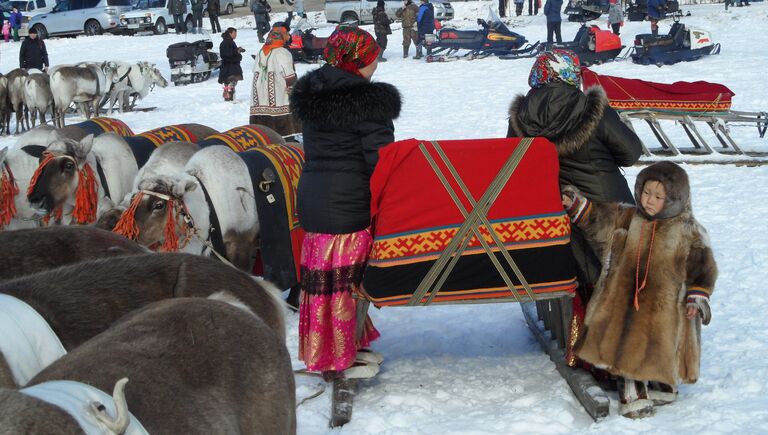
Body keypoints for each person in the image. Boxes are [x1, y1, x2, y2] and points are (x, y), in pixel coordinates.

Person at [506, 49, 643, 368]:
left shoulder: (521, 115)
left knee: (584, 276)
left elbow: (514, 168)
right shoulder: (592, 106)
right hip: (608, 209)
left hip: (556, 213)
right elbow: (631, 153)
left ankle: (584, 351)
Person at [290, 25, 401, 381]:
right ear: (357, 61)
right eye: (373, 59)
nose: (377, 65)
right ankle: (339, 354)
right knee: (345, 282)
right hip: (349, 200)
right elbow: (380, 160)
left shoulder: (314, 92)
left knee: (323, 280)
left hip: (314, 196)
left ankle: (337, 347)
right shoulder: (366, 101)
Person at [563, 161, 717, 419]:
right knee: (627, 344)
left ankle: (660, 383)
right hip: (626, 301)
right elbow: (598, 217)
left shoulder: (688, 230)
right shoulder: (628, 217)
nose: (649, 201)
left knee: (662, 343)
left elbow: (702, 264)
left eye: (659, 197)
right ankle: (632, 392)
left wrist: (697, 294)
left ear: (675, 198)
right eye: (646, 193)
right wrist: (577, 204)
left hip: (667, 305)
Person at [250, 24, 300, 138]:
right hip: (278, 100)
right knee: (284, 137)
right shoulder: (282, 52)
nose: (288, 36)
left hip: (259, 101)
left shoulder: (260, 52)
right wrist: (294, 90)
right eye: (287, 34)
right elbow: (290, 76)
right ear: (281, 36)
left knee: (264, 137)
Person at [219, 27, 245, 101]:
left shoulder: (228, 41)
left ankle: (228, 98)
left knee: (228, 83)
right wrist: (237, 52)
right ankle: (230, 98)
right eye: (234, 33)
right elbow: (228, 54)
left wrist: (237, 51)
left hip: (228, 66)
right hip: (230, 66)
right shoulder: (227, 42)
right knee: (231, 82)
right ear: (230, 33)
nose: (236, 35)